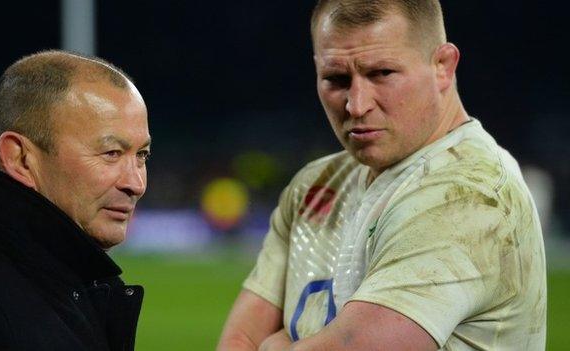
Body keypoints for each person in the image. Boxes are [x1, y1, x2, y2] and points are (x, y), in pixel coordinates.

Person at [217, 0, 546, 350]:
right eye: (336, 79)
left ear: (443, 66)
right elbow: (239, 340)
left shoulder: (471, 197)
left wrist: (274, 345)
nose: (356, 105)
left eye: (382, 74)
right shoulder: (315, 185)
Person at [0, 50, 151, 350]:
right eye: (111, 154)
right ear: (22, 158)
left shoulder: (67, 278)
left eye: (142, 155)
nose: (136, 183)